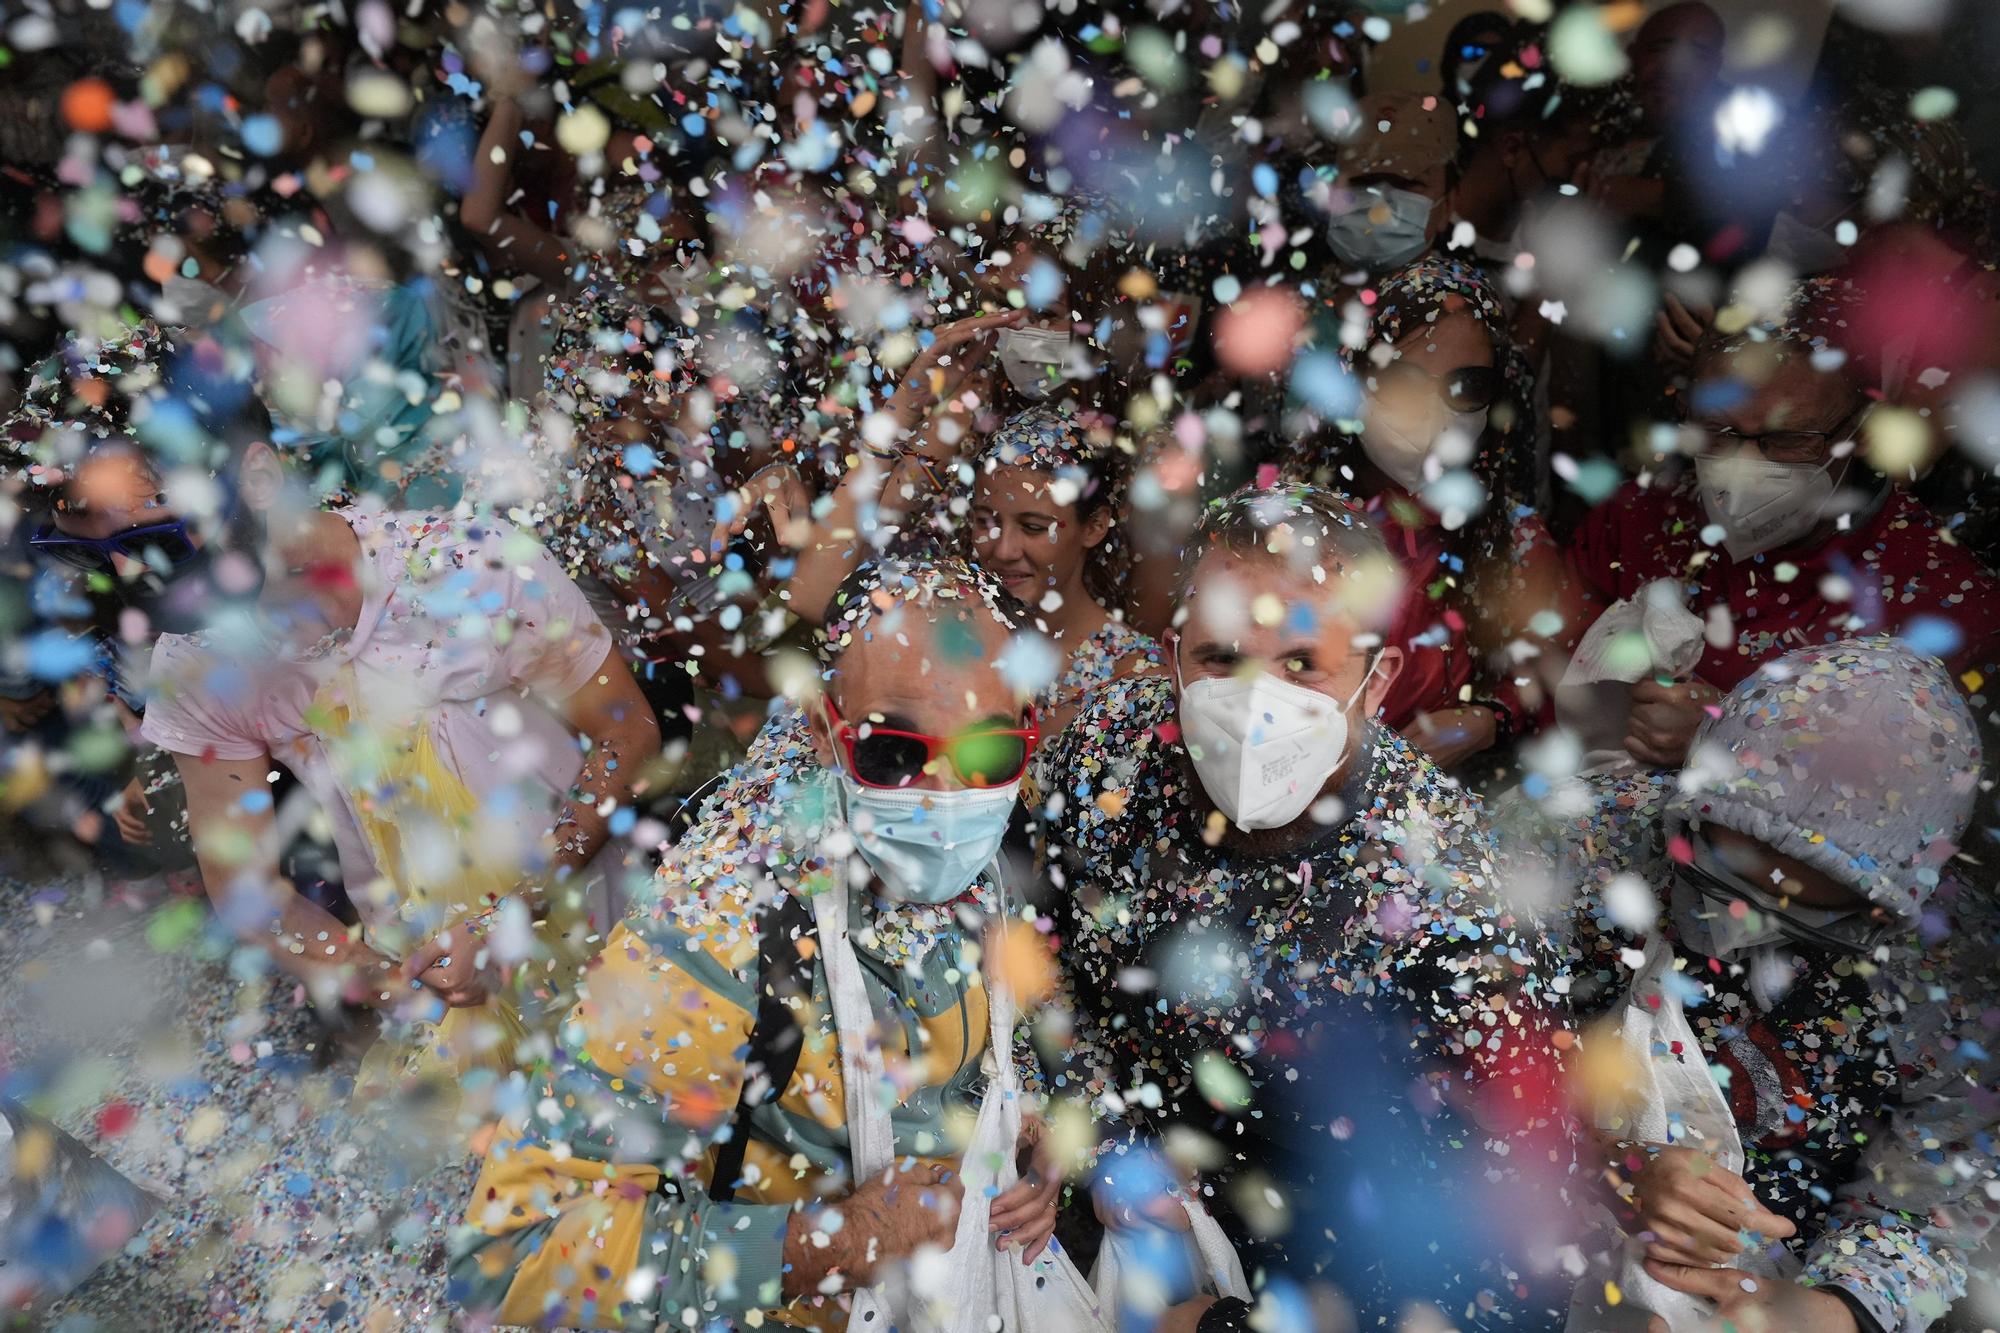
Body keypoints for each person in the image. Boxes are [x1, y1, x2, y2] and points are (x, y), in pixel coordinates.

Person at [448, 555, 1074, 1329]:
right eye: (893, 754)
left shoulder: (998, 847)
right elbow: (509, 1257)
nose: (947, 798)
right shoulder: (715, 928)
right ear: (822, 731)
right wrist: (839, 1239)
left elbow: (1016, 1047)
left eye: (986, 753)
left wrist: (1039, 1142)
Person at [29, 332, 660, 1087]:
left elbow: (626, 726)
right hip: (437, 971)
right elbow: (247, 887)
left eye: (164, 547)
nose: (143, 588)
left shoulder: (468, 564)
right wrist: (385, 977)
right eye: (94, 564)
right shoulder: (196, 665)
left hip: (608, 909)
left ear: (256, 477)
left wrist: (509, 918)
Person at [1040, 484, 1576, 1329]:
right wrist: (1099, 1130)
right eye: (1220, 659)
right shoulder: (1110, 760)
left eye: (1300, 664)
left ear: (1375, 677)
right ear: (1172, 655)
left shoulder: (1454, 904)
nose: (1256, 704)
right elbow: (1042, 956)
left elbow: (1505, 1252)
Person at [1516, 638, 1999, 1333]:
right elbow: (1458, 1049)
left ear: (1882, 905)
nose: (1741, 920)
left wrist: (1835, 1309)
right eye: (1724, 867)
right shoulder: (1586, 840)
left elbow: (1935, 1212)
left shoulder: (1956, 984)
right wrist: (1611, 1162)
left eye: (1805, 910)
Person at [1560, 276, 2000, 770]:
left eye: (1788, 439)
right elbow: (1540, 656)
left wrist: (1739, 737)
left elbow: (1920, 798)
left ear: (1862, 429)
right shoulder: (1638, 521)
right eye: (1717, 430)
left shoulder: (1939, 602)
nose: (1743, 466)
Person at [1280, 257, 1560, 771]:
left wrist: (1489, 718)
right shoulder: (1282, 524)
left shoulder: (1515, 538)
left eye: (1467, 386)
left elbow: (1558, 675)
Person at [967, 404, 1161, 711]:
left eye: (1033, 528)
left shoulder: (1140, 680)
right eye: (985, 522)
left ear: (1094, 527)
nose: (1003, 550)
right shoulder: (950, 644)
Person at [1322, 90, 1458, 278]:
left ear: (1447, 206)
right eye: (1362, 181)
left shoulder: (1461, 304)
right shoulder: (1285, 301)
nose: (1379, 203)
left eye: (1406, 183)